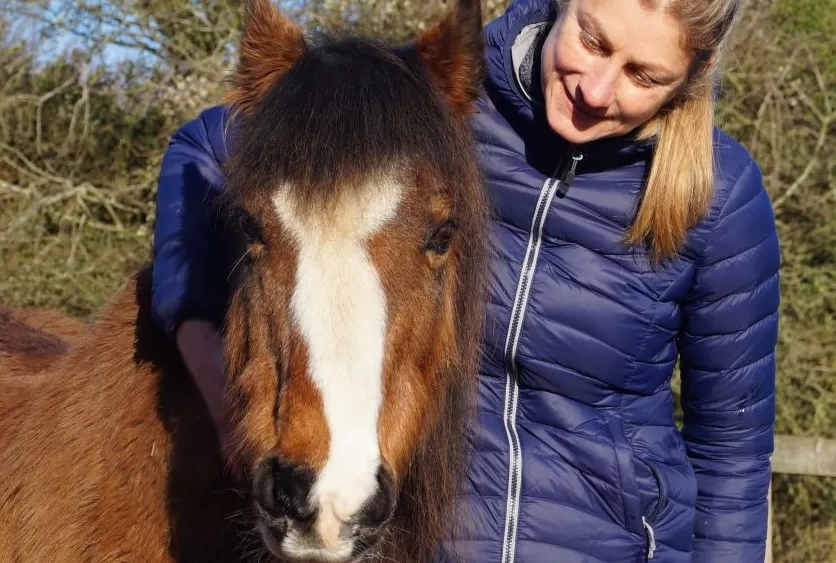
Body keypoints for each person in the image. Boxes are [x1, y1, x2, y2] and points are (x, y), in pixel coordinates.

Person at [149, 0, 781, 560]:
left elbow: (731, 454)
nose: (595, 88)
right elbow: (203, 147)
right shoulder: (436, 103)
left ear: (690, 79)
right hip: (426, 541)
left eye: (643, 76)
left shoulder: (719, 198)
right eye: (592, 39)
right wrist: (202, 343)